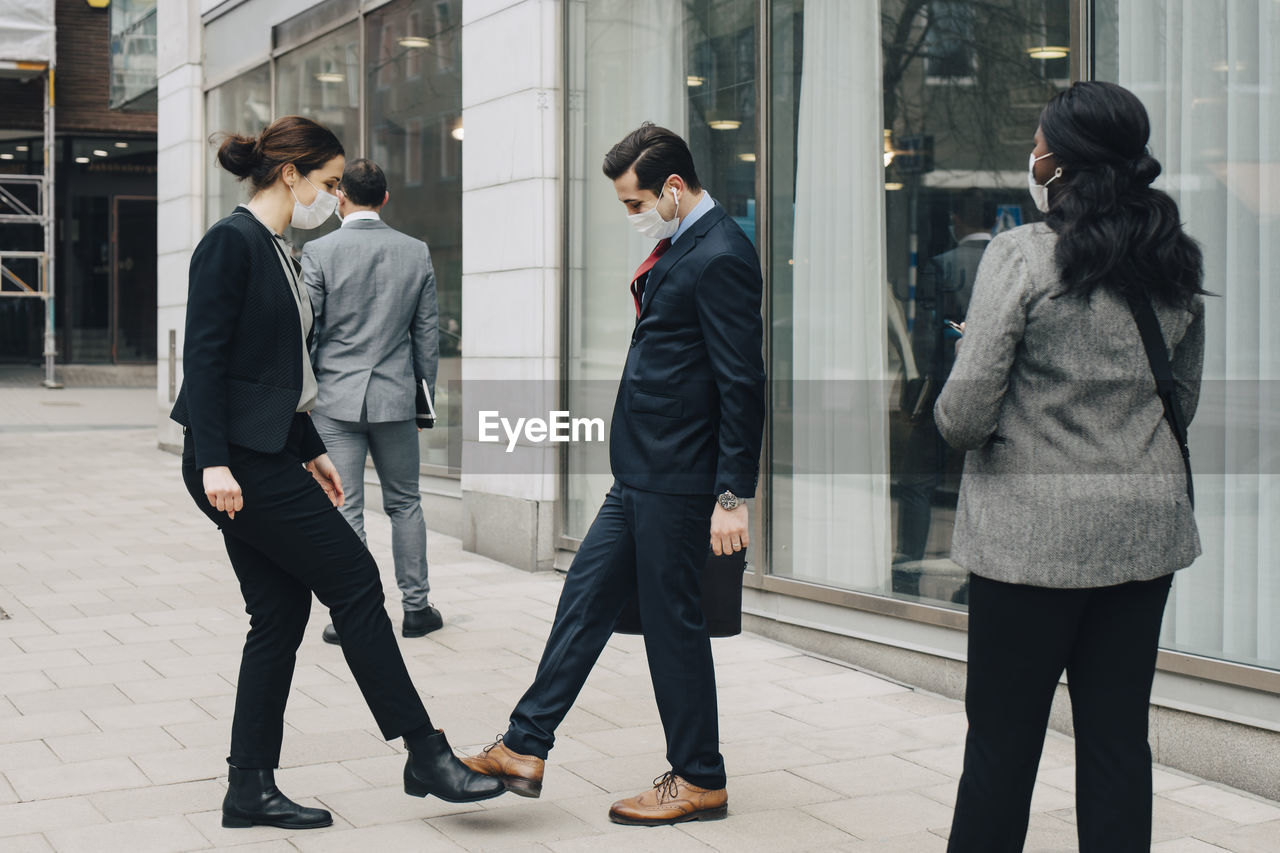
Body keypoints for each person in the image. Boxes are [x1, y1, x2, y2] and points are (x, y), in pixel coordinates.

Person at [171, 115, 504, 830]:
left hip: (271, 450)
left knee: (279, 615)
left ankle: (248, 787)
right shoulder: (231, 244)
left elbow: (275, 370)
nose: (332, 195)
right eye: (326, 182)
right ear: (290, 174)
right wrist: (219, 460)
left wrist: (312, 445)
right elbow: (204, 360)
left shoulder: (276, 248)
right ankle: (425, 751)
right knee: (354, 579)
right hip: (240, 463)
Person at [462, 122, 766, 826]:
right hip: (640, 471)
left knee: (673, 625)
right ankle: (524, 745)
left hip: (681, 476)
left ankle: (701, 777)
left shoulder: (720, 253)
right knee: (585, 598)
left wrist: (731, 494)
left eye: (635, 204)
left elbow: (741, 382)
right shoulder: (684, 243)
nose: (630, 216)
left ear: (673, 187)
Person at [935, 81, 1206, 852]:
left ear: (1059, 159)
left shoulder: (1020, 256)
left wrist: (972, 358)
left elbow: (962, 419)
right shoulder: (1174, 262)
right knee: (1119, 743)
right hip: (1142, 535)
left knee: (1001, 747)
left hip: (1030, 545)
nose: (1033, 152)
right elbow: (1177, 406)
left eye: (1039, 138)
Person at [301, 158, 442, 646]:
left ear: (341, 196)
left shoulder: (318, 252)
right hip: (397, 400)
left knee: (346, 506)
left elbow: (306, 332)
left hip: (335, 401)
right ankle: (417, 608)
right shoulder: (415, 251)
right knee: (406, 504)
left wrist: (305, 398)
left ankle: (352, 615)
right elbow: (426, 335)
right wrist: (424, 400)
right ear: (384, 199)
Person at [895, 189, 993, 577]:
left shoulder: (943, 264)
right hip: (995, 391)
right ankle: (976, 574)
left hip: (944, 387)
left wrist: (918, 384)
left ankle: (908, 564)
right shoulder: (1007, 261)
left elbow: (926, 337)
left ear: (958, 219)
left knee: (918, 479)